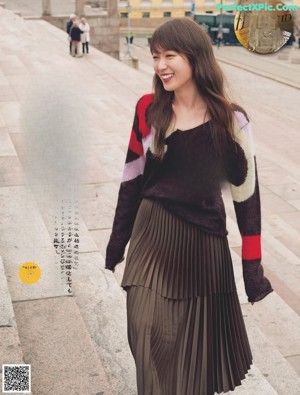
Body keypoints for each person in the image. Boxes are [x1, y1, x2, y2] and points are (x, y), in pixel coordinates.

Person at [105, 18, 273, 395]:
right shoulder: (148, 109)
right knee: (145, 331)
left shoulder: (231, 120)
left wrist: (252, 271)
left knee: (192, 355)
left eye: (169, 55)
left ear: (195, 57)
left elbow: (248, 197)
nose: (160, 65)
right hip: (152, 235)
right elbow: (130, 179)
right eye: (155, 57)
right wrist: (117, 245)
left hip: (202, 245)